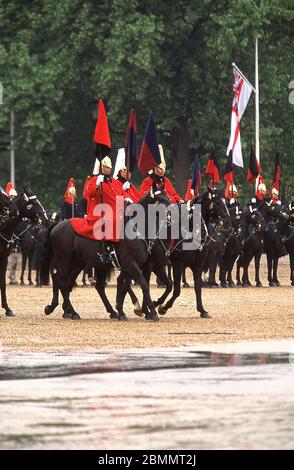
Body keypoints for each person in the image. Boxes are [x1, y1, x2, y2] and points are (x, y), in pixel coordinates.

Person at [70, 156, 125, 263]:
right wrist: (96, 184)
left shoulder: (116, 182)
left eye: (109, 167)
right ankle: (107, 250)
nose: (108, 169)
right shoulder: (95, 180)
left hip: (116, 212)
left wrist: (126, 197)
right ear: (101, 167)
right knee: (111, 220)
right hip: (100, 212)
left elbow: (120, 197)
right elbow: (88, 194)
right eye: (106, 167)